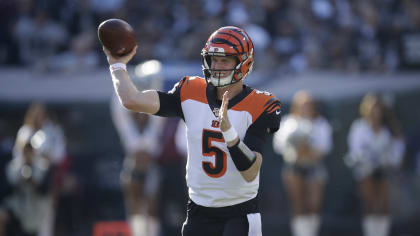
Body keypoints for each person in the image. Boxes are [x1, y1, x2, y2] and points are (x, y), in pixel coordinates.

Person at [102, 26, 282, 236]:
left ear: (244, 63)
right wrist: (116, 64)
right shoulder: (190, 91)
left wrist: (229, 133)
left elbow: (251, 172)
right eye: (213, 59)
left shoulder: (261, 103)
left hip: (239, 214)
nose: (216, 66)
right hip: (198, 211)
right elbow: (131, 100)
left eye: (224, 60)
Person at [110, 60, 165, 236]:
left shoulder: (155, 126)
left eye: (144, 113)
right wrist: (126, 79)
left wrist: (150, 82)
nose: (141, 116)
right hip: (132, 168)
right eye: (137, 113)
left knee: (151, 205)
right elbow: (117, 106)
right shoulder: (128, 132)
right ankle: (136, 233)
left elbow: (159, 96)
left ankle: (152, 233)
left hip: (151, 169)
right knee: (133, 202)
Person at [0, 102, 66, 236]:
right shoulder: (24, 133)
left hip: (42, 188)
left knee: (45, 221)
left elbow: (59, 155)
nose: (38, 118)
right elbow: (16, 161)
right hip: (22, 195)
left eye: (41, 115)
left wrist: (42, 164)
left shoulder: (51, 133)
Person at [272, 90, 332, 236]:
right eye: (302, 105)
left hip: (314, 167)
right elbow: (279, 146)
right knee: (298, 204)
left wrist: (309, 151)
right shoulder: (288, 122)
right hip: (294, 168)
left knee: (314, 204)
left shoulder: (321, 123)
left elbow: (325, 147)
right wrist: (297, 150)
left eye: (309, 105)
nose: (306, 108)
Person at [345, 93, 405, 236]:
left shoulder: (390, 128)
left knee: (384, 204)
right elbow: (355, 151)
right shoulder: (359, 127)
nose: (374, 112)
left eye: (378, 109)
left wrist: (388, 160)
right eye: (371, 108)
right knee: (370, 203)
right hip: (366, 171)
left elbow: (398, 151)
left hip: (386, 171)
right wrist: (367, 161)